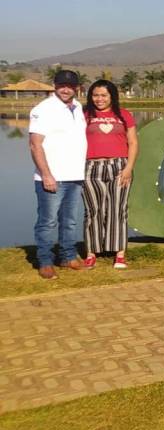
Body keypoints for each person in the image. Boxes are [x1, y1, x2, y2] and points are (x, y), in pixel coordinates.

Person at [29, 69, 88, 279]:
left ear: (76, 88)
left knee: (70, 221)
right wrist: (46, 175)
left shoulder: (78, 107)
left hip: (75, 176)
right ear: (55, 86)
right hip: (52, 177)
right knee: (47, 222)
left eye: (70, 86)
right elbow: (35, 145)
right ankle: (45, 261)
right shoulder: (43, 109)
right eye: (62, 85)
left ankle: (67, 257)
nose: (66, 89)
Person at [82, 80, 138, 269]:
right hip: (91, 167)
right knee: (93, 210)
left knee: (118, 209)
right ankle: (91, 252)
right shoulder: (84, 115)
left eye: (104, 95)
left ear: (112, 96)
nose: (99, 99)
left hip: (119, 166)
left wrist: (128, 168)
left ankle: (119, 253)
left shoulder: (124, 115)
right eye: (95, 95)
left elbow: (133, 142)